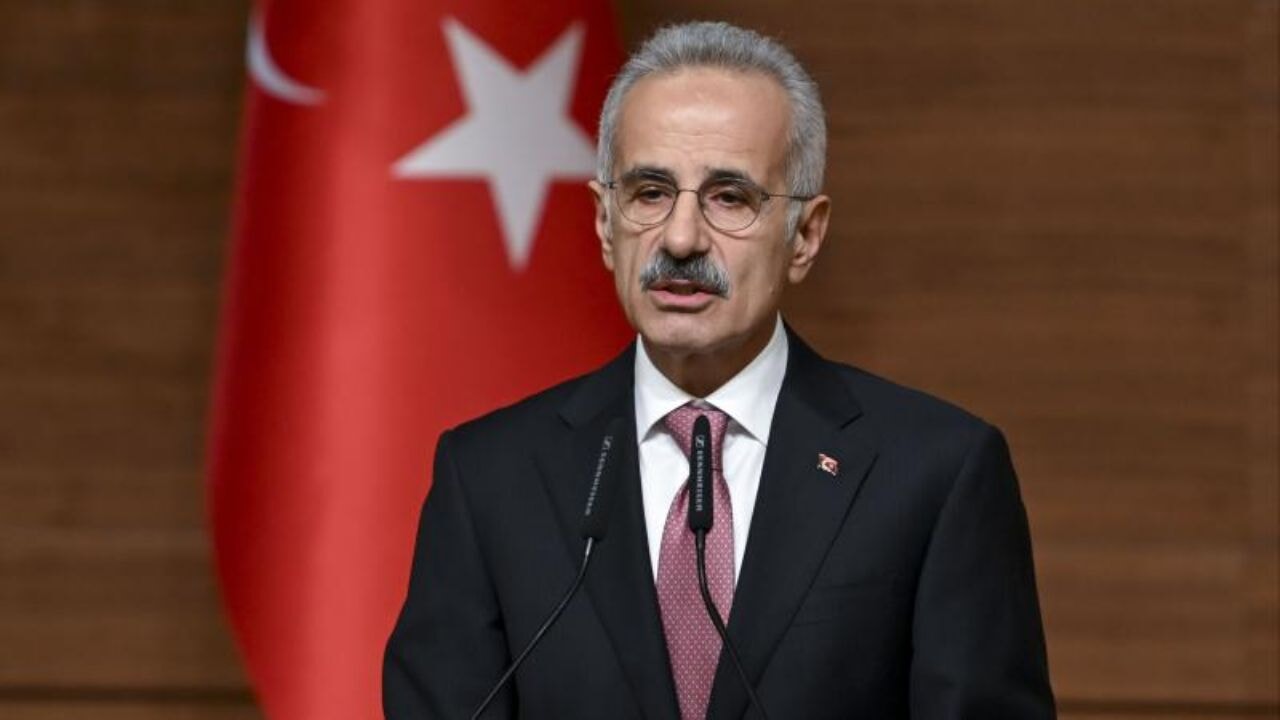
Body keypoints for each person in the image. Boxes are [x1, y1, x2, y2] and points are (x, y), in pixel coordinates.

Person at [384, 20, 1055, 719]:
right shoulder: (491, 478)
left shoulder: (935, 474)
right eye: (650, 192)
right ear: (605, 223)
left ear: (806, 235)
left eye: (730, 197)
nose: (680, 239)